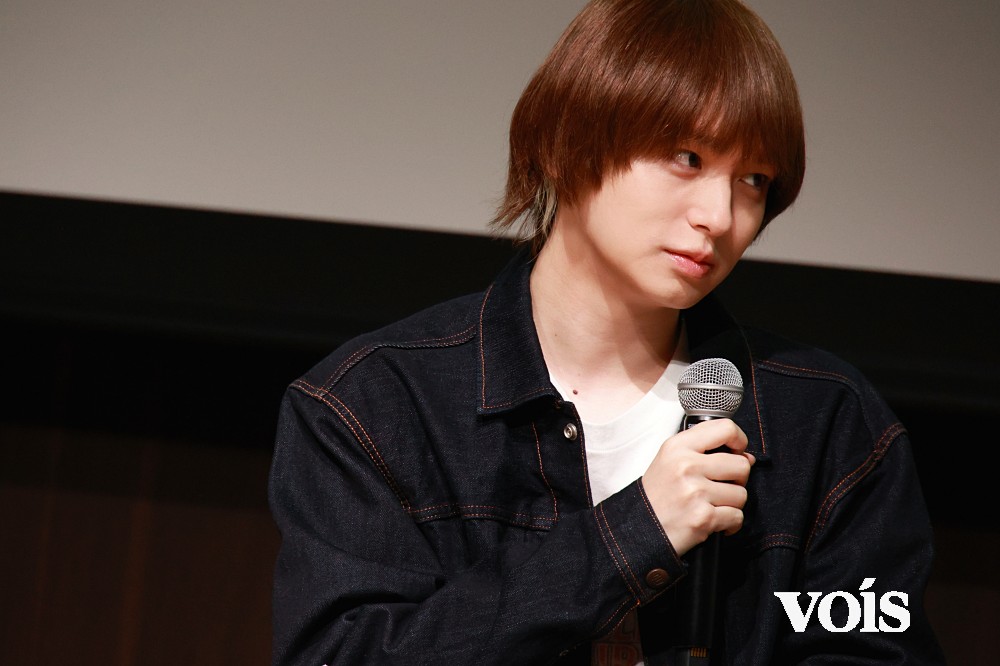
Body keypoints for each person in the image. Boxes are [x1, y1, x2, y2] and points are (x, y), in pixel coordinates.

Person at [268, 1, 944, 663]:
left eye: (753, 179)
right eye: (687, 157)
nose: (720, 215)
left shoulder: (828, 423)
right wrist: (633, 534)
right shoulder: (374, 406)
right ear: (569, 143)